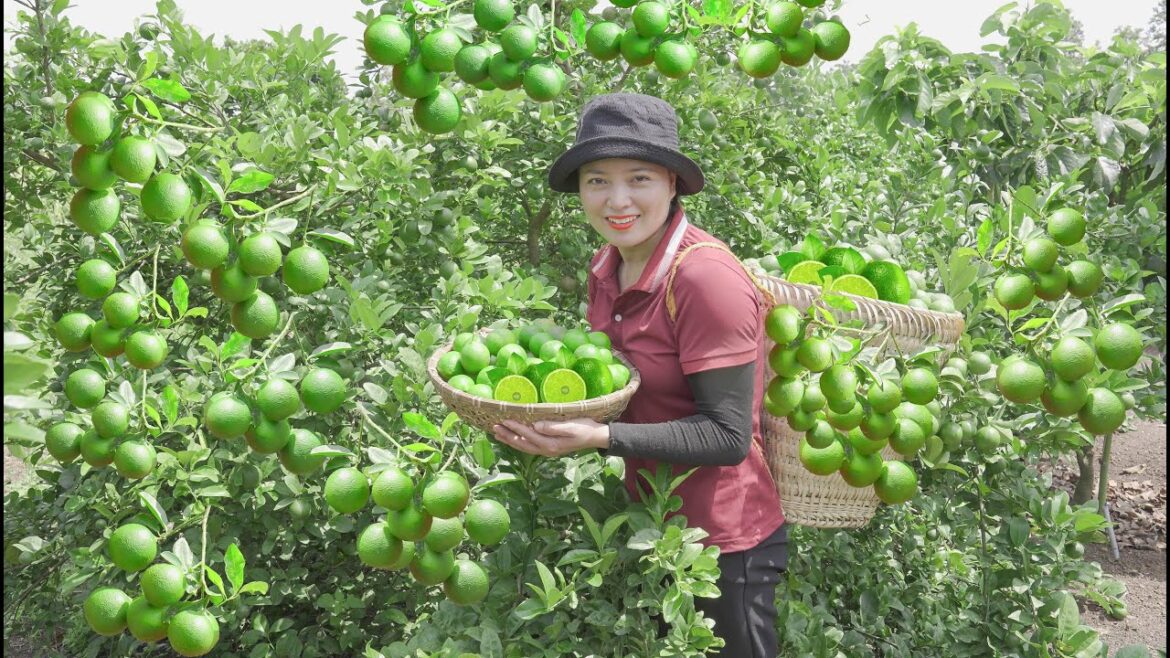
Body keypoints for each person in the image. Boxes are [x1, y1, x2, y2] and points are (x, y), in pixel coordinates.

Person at [490, 92, 787, 658]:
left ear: (673, 184)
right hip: (651, 527)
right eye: (597, 180)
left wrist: (599, 437)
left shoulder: (703, 277)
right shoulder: (608, 263)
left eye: (640, 178)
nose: (617, 200)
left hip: (724, 544)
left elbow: (727, 437)